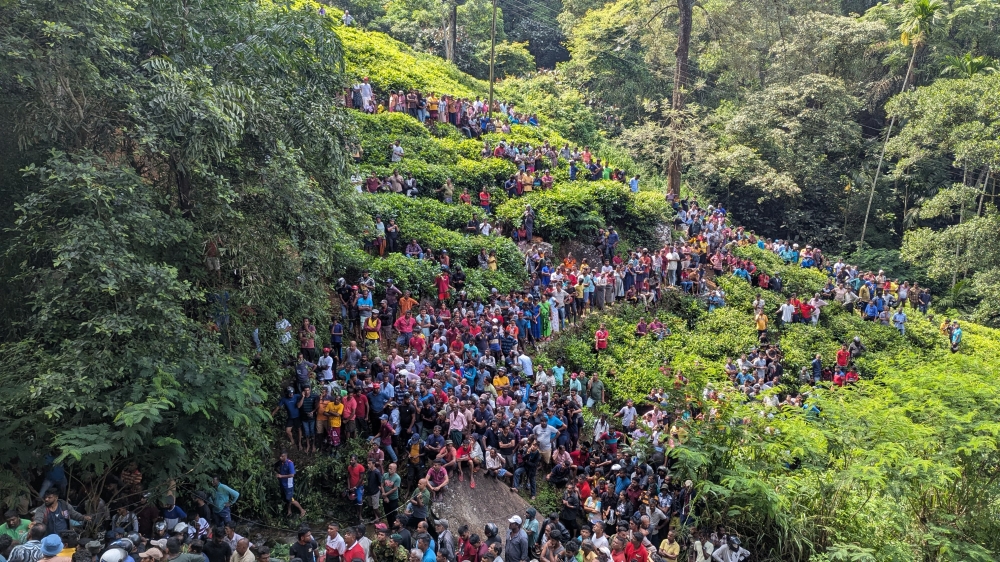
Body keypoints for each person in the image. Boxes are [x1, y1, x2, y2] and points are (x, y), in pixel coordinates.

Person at [275, 452, 306, 517]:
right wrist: (277, 472)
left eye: (282, 456)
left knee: (290, 499)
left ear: (285, 456)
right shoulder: (280, 462)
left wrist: (281, 476)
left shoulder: (290, 463)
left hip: (288, 485)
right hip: (282, 483)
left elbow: (292, 475)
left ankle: (302, 510)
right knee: (286, 499)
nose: (280, 458)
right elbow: (275, 466)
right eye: (280, 456)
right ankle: (289, 511)